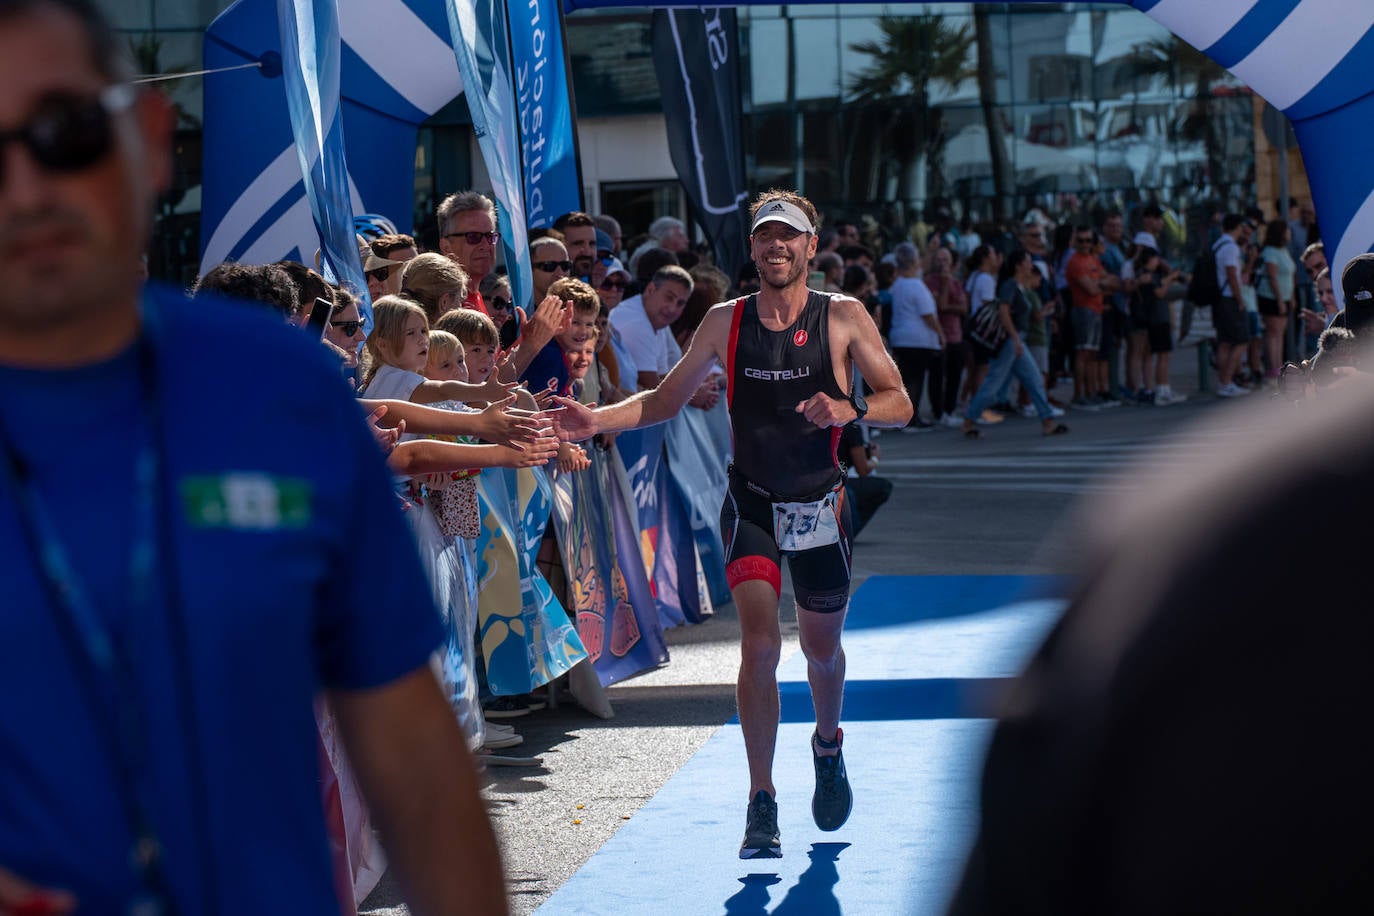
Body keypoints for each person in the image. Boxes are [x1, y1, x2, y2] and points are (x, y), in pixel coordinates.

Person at [0, 0, 507, 912]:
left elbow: (413, 752)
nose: (25, 186)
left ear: (152, 140)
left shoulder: (280, 392)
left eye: (63, 133)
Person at [551, 190, 912, 860]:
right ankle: (761, 799)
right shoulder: (724, 319)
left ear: (809, 246)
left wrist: (846, 407)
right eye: (764, 238)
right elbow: (665, 399)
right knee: (759, 647)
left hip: (820, 506)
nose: (776, 248)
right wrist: (593, 419)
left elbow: (900, 402)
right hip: (751, 502)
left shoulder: (843, 315)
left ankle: (828, 745)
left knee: (820, 651)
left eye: (789, 237)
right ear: (752, 249)